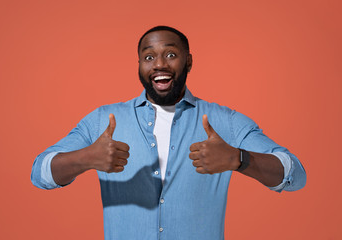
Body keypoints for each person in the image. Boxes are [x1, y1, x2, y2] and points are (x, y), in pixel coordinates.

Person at [31, 26, 306, 240]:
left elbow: (295, 175)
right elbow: (39, 173)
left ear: (188, 62)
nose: (159, 64)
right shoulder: (103, 119)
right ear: (139, 65)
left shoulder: (225, 121)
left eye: (171, 55)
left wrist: (239, 159)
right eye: (148, 57)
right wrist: (85, 158)